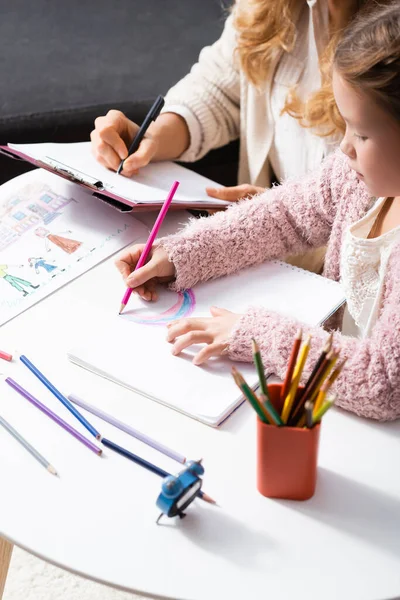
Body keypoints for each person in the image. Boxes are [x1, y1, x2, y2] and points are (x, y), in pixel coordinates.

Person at [114, 2, 400, 422]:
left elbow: (381, 384)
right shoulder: (356, 175)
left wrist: (255, 335)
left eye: (360, 132)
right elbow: (282, 215)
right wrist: (180, 255)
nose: (344, 147)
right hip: (332, 400)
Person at [90, 0, 371, 272]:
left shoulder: (386, 39)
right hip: (274, 253)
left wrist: (275, 216)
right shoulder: (267, 6)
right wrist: (154, 135)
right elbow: (224, 87)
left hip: (335, 278)